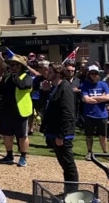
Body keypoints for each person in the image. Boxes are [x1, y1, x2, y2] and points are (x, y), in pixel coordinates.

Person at [40, 62, 79, 194]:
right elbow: (46, 106)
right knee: (64, 163)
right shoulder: (54, 87)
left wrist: (61, 135)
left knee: (68, 164)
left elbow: (67, 113)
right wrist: (45, 91)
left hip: (63, 133)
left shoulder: (65, 87)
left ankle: (72, 193)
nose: (47, 74)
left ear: (58, 74)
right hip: (54, 130)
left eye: (50, 72)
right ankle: (68, 191)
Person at [0, 53, 33, 167]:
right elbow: (0, 91)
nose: (11, 67)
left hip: (21, 111)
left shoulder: (26, 78)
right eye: (11, 65)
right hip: (7, 111)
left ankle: (23, 157)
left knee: (22, 135)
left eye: (14, 65)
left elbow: (22, 86)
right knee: (7, 134)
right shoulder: (7, 77)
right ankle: (9, 155)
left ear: (21, 66)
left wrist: (14, 76)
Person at [82, 65, 109, 160]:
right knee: (89, 135)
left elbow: (107, 98)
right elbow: (86, 99)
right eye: (92, 73)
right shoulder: (85, 85)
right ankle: (89, 152)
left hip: (102, 114)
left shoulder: (104, 84)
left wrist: (93, 98)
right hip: (89, 114)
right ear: (88, 74)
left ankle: (105, 153)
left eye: (95, 73)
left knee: (103, 135)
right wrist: (100, 98)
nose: (93, 75)